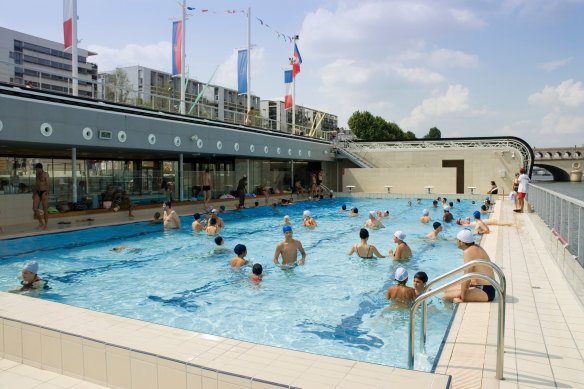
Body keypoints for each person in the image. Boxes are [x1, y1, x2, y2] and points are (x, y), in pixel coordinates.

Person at [442, 229, 496, 303]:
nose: (456, 241)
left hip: (485, 290)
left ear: (461, 242)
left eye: (457, 240)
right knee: (447, 289)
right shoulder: (476, 247)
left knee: (445, 297)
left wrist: (462, 298)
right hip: (481, 286)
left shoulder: (468, 252)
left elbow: (467, 277)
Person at [33, 163, 50, 230]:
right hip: (38, 192)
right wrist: (34, 193)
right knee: (34, 208)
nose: (37, 170)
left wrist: (47, 192)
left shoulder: (46, 174)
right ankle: (41, 222)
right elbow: (36, 184)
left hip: (44, 192)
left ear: (40, 168)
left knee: (45, 209)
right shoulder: (37, 174)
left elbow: (48, 183)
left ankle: (46, 224)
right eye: (36, 169)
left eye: (37, 169)